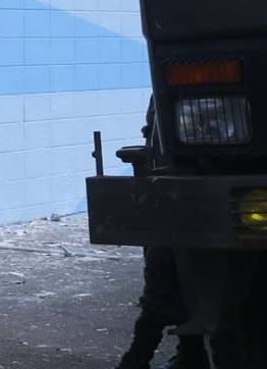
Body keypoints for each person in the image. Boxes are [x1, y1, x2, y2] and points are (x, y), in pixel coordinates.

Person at [115, 101, 208, 369]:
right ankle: (189, 353)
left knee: (164, 281)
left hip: (173, 194)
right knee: (179, 278)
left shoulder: (170, 96)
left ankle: (138, 359)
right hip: (183, 193)